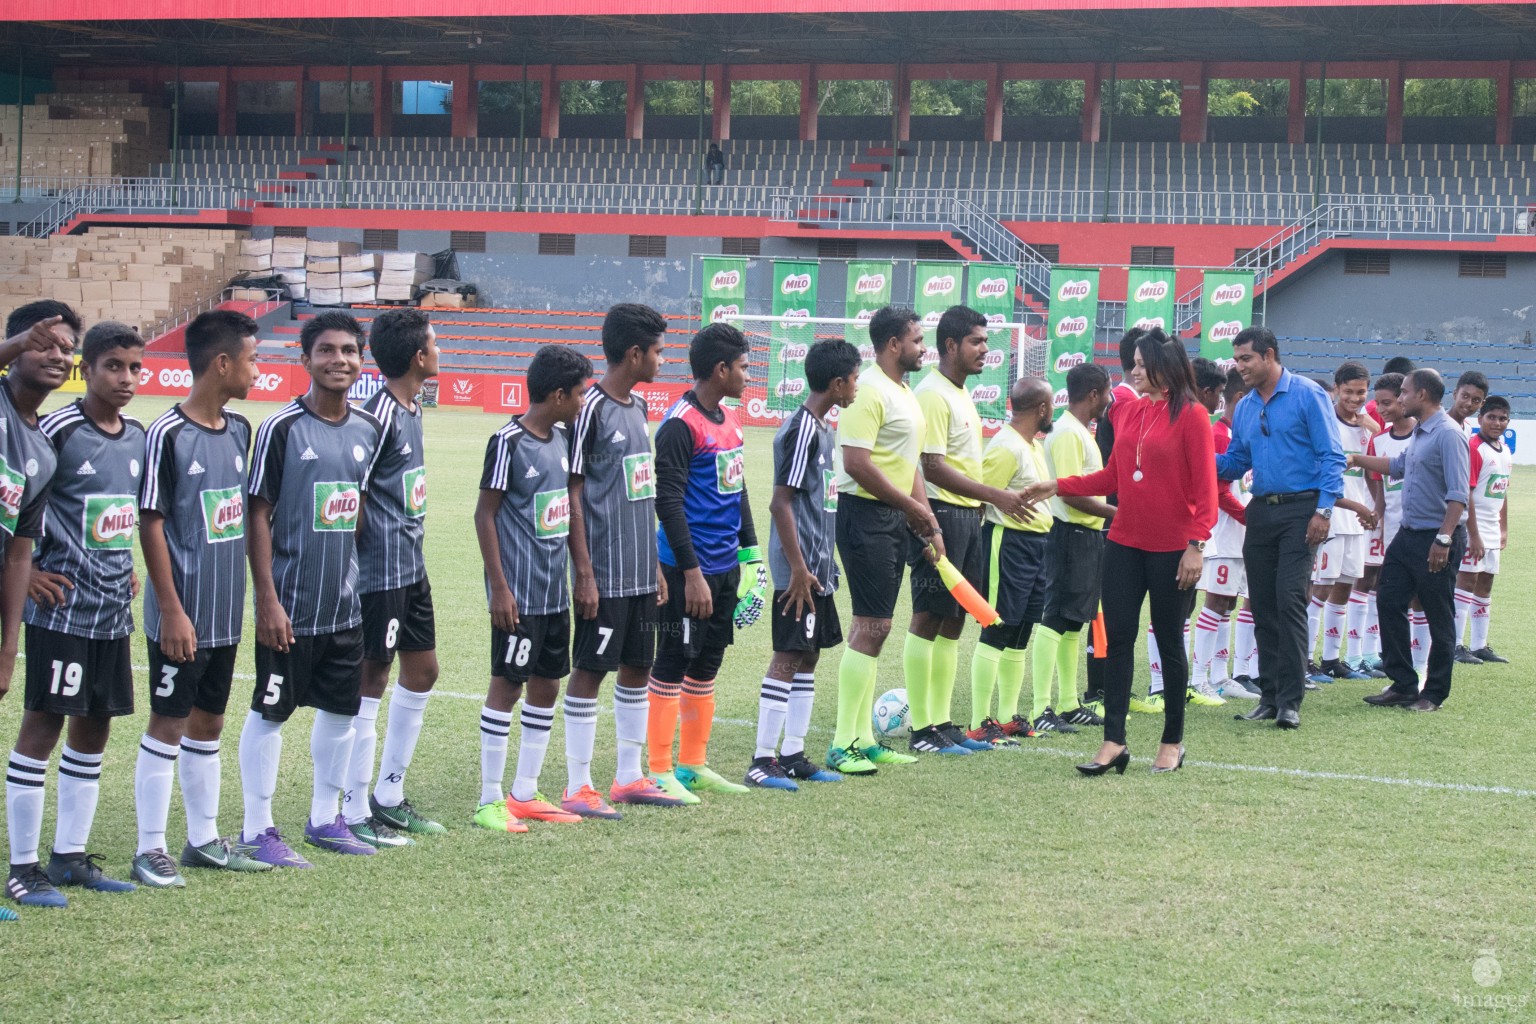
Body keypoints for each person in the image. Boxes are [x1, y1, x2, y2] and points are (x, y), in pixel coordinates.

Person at [1024, 329, 1217, 775]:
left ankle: (1172, 741)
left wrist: (1196, 545)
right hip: (1123, 544)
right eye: (1132, 363)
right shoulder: (1128, 412)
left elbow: (1205, 489)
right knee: (1117, 642)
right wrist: (1058, 484)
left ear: (1163, 368)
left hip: (1174, 550)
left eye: (1140, 364)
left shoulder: (1192, 416)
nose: (1132, 371)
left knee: (1169, 642)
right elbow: (1111, 476)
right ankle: (1114, 741)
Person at [239, 310, 384, 864]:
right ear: (305, 359)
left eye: (349, 350)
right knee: (271, 713)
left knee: (342, 715)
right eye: (326, 350)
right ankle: (258, 829)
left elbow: (357, 505)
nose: (339, 360)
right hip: (291, 606)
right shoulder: (281, 428)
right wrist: (268, 599)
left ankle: (326, 817)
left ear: (361, 358)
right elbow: (258, 514)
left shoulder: (367, 429)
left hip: (343, 606)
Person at [132, 310, 270, 888]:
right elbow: (151, 522)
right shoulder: (166, 434)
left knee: (208, 723)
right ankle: (149, 849)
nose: (257, 369)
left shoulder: (240, 431)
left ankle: (203, 839)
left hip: (222, 614)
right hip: (180, 616)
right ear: (222, 363)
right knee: (167, 723)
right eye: (252, 358)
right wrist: (170, 610)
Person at [6, 317, 140, 908]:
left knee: (95, 727)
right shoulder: (54, 428)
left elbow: (116, 512)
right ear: (89, 370)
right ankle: (23, 865)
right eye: (113, 365)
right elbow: (28, 519)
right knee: (44, 724)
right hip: (61, 611)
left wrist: (125, 558)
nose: (127, 377)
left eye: (135, 367)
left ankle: (69, 857)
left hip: (112, 610)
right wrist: (27, 573)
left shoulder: (135, 435)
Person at [563, 303, 683, 816]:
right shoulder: (589, 409)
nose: (663, 359)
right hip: (604, 572)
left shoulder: (638, 408)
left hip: (639, 569)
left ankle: (629, 777)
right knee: (591, 669)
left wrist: (655, 564)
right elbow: (570, 490)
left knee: (639, 665)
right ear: (634, 353)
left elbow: (642, 488)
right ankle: (577, 784)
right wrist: (584, 572)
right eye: (658, 351)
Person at [473, 346, 593, 832]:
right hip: (518, 594)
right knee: (508, 684)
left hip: (552, 591)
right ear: (559, 394)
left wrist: (581, 572)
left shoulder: (564, 439)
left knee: (547, 683)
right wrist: (499, 589)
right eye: (581, 392)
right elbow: (485, 514)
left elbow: (568, 508)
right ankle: (488, 800)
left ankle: (525, 792)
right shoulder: (507, 441)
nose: (584, 401)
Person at [907, 305, 1032, 755]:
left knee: (955, 618)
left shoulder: (961, 394)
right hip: (938, 515)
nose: (985, 349)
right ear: (950, 346)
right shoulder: (933, 394)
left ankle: (943, 723)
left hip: (967, 518)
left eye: (985, 340)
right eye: (977, 341)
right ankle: (922, 728)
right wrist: (995, 495)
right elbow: (931, 467)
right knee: (928, 617)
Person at [345, 309, 446, 845]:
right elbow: (355, 490)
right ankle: (354, 803)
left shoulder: (413, 406)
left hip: (413, 567)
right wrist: (373, 545)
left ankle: (388, 793)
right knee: (371, 681)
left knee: (423, 671)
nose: (438, 348)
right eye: (434, 341)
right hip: (381, 572)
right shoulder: (375, 415)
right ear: (417, 356)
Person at [826, 306, 940, 775]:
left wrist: (926, 517)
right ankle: (841, 743)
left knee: (879, 626)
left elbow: (908, 462)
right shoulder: (870, 389)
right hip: (865, 515)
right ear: (894, 344)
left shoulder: (903, 391)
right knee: (870, 625)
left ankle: (864, 739)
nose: (922, 347)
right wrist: (911, 507)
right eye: (916, 339)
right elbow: (856, 463)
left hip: (894, 516)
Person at [648, 322, 759, 802]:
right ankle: (657, 769)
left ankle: (692, 764)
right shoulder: (679, 424)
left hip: (723, 567)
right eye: (743, 367)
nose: (747, 375)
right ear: (720, 369)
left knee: (708, 662)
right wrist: (690, 574)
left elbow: (739, 489)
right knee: (674, 659)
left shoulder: (730, 420)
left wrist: (750, 555)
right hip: (684, 571)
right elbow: (668, 501)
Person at [1216, 327, 1345, 730]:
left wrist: (1323, 511)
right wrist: (1197, 457)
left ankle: (1291, 700)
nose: (1240, 367)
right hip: (1262, 513)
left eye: (1246, 359)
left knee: (1289, 600)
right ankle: (1270, 696)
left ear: (1269, 355)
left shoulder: (1308, 395)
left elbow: (1332, 457)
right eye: (1237, 360)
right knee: (1263, 604)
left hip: (1302, 511)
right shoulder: (1247, 407)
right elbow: (1236, 462)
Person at [748, 338, 861, 789]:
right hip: (798, 571)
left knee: (809, 656)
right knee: (790, 653)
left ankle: (792, 753)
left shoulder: (823, 428)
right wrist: (796, 569)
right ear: (837, 384)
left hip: (816, 567)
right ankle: (761, 760)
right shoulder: (802, 430)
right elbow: (780, 504)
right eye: (854, 380)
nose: (856, 388)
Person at [1, 304, 77, 918]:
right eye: (44, 343)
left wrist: (8, 650)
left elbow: (21, 548)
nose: (57, 354)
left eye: (65, 347)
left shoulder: (41, 446)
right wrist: (10, 344)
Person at [1357, 370, 1470, 711]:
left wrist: (1444, 539)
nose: (1400, 398)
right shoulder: (1421, 432)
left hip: (1436, 538)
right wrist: (1352, 457)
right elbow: (1397, 466)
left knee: (1438, 614)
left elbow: (1458, 495)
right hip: (1407, 536)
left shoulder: (1449, 435)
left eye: (1404, 392)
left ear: (1421, 394)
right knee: (1388, 600)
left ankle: (1434, 693)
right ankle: (1403, 683)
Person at [968, 377, 1055, 742]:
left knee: (1022, 630)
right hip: (1008, 543)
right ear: (1041, 409)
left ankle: (1007, 717)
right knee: (999, 625)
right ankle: (978, 722)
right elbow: (978, 496)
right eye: (1051, 404)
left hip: (1037, 545)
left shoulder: (1031, 444)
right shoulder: (1006, 446)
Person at [1034, 362, 1115, 726]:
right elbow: (1068, 492)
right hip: (1068, 534)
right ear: (1094, 394)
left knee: (1073, 622)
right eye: (1108, 392)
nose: (1111, 400)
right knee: (1055, 619)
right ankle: (1041, 708)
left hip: (1086, 536)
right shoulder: (1068, 433)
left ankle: (1068, 703)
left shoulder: (1080, 431)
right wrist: (1119, 514)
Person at [1079, 329, 1144, 710]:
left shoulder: (1129, 400)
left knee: (1116, 606)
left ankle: (1112, 687)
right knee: (1103, 606)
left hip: (1119, 515)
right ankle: (1099, 688)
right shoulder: (1121, 401)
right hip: (1111, 515)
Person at [1306, 362, 1379, 683]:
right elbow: (1319, 476)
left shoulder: (1367, 426)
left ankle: (1332, 659)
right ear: (1335, 389)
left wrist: (1373, 427)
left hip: (1356, 520)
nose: (1354, 398)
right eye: (1348, 391)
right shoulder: (1324, 423)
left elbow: (1381, 460)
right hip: (1331, 516)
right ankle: (1304, 659)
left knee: (1345, 587)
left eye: (1361, 392)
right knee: (1320, 587)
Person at [1190, 362, 1258, 701]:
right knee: (1215, 601)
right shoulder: (1218, 433)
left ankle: (1219, 675)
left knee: (1228, 603)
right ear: (1241, 397)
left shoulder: (1240, 434)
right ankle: (1198, 678)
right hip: (1222, 534)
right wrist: (1250, 518)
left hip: (1239, 536)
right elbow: (1217, 491)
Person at [1364, 374, 1428, 677]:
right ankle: (1393, 660)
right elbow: (1378, 480)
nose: (1384, 408)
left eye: (1389, 401)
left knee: (1420, 597)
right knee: (1390, 595)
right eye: (1380, 403)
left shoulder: (1426, 435)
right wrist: (1377, 509)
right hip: (1392, 529)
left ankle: (1421, 662)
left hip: (1422, 529)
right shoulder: (1379, 441)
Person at [1454, 396, 1511, 664]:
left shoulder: (1504, 450)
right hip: (1473, 529)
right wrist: (1473, 535)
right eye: (1491, 417)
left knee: (1485, 583)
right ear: (1480, 420)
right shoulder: (1474, 449)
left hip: (1491, 529)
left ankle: (1479, 645)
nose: (1497, 423)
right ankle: (1455, 645)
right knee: (1466, 582)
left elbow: (1503, 493)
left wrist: (1504, 527)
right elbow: (1466, 494)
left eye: (1502, 418)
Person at [1444, 369, 1488, 664]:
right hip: (1435, 522)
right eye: (1465, 396)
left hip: (1454, 523)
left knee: (1444, 589)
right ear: (1454, 393)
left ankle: (1450, 646)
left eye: (1476, 400)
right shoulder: (1440, 425)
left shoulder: (1466, 431)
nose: (1469, 403)